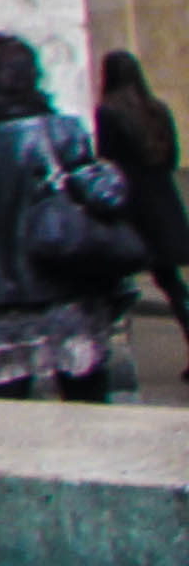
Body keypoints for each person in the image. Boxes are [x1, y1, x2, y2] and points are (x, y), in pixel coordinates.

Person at [0, 33, 137, 402]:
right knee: (88, 403)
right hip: (64, 287)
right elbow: (105, 197)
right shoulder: (62, 131)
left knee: (7, 414)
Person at [91, 50, 189, 350]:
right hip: (162, 199)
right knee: (171, 282)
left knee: (113, 281)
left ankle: (115, 353)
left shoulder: (108, 111)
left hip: (129, 202)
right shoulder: (157, 108)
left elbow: (105, 159)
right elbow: (172, 156)